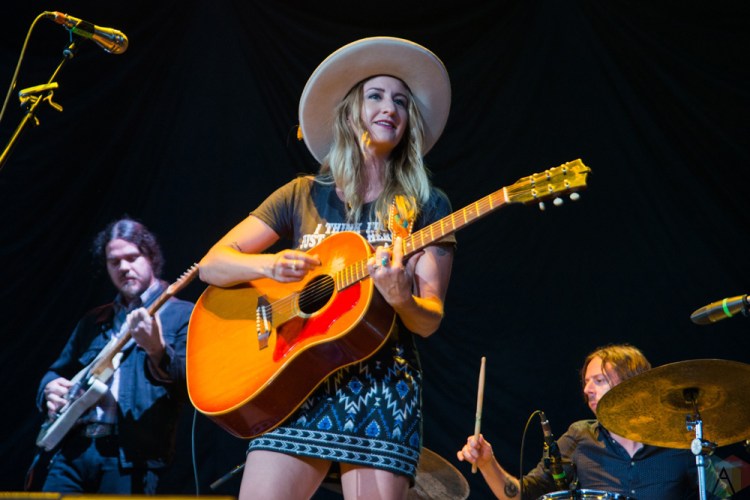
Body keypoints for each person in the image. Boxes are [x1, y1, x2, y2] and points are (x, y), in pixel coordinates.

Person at [198, 36, 455, 499]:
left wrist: (401, 298)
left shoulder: (426, 206)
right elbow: (212, 266)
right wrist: (272, 264)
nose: (389, 108)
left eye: (400, 101)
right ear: (350, 111)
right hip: (294, 379)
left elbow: (429, 319)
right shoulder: (300, 194)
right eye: (374, 95)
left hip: (383, 384)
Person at [35, 217, 194, 493]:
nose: (123, 267)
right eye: (114, 261)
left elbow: (189, 388)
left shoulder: (182, 315)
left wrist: (157, 350)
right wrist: (47, 390)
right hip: (71, 451)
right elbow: (56, 371)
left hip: (129, 459)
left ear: (151, 257)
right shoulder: (94, 320)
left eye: (132, 257)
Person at [457, 344, 731, 499]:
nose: (588, 389)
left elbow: (728, 485)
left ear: (632, 385)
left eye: (599, 381)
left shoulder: (677, 442)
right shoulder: (580, 437)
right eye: (586, 382)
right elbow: (521, 495)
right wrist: (487, 463)